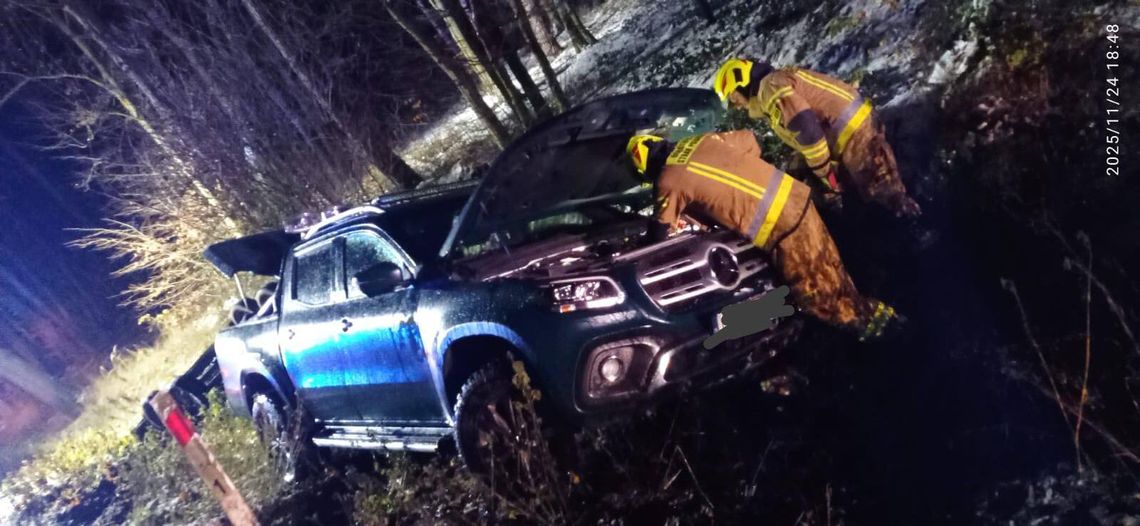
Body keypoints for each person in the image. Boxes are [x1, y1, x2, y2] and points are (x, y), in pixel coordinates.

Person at [628, 131, 902, 341]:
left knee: (819, 298)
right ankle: (890, 320)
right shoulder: (702, 141)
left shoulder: (668, 180)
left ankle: (892, 337)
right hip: (798, 203)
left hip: (781, 229)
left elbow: (658, 237)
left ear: (647, 168)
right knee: (836, 278)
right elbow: (751, 141)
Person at [712, 58, 921, 218]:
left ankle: (919, 234)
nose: (736, 106)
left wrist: (826, 178)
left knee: (888, 197)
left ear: (741, 83)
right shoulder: (776, 82)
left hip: (857, 140)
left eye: (732, 98)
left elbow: (809, 133)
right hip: (854, 134)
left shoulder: (770, 88)